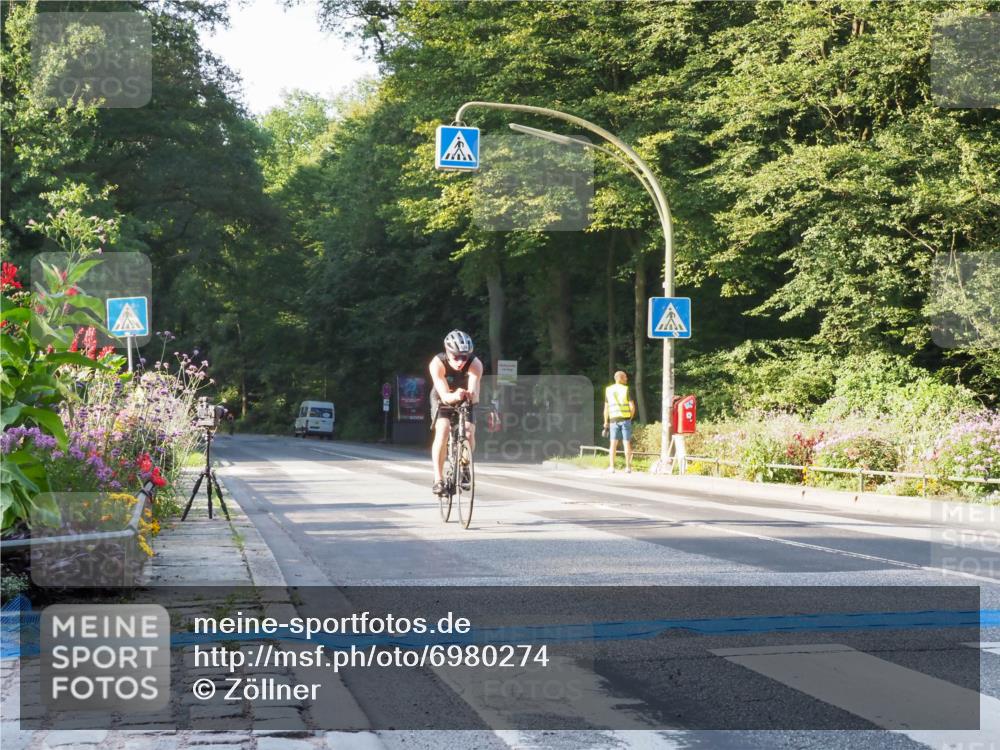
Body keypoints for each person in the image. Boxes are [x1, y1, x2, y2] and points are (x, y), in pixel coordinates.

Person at [429, 330, 483, 495]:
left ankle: (465, 465)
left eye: (464, 357)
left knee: (468, 431)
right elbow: (444, 396)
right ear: (447, 352)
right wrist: (454, 395)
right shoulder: (437, 363)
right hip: (442, 396)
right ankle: (438, 479)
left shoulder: (475, 364)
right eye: (456, 356)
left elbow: (474, 393)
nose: (460, 361)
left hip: (464, 396)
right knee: (443, 429)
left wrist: (470, 395)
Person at [603, 370, 637, 473]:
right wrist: (630, 417)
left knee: (613, 444)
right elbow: (632, 407)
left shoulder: (608, 390)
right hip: (625, 419)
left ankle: (612, 467)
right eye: (625, 377)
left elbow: (606, 408)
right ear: (620, 378)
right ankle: (628, 467)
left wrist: (606, 422)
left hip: (613, 420)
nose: (627, 379)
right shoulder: (626, 389)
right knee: (627, 443)